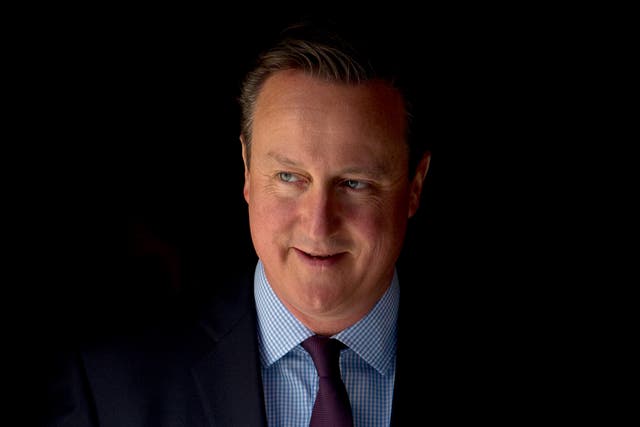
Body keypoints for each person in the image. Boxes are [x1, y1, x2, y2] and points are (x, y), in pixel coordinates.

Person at [42, 14, 451, 426]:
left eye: (355, 183)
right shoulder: (109, 387)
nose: (318, 225)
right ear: (247, 172)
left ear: (415, 186)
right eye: (290, 177)